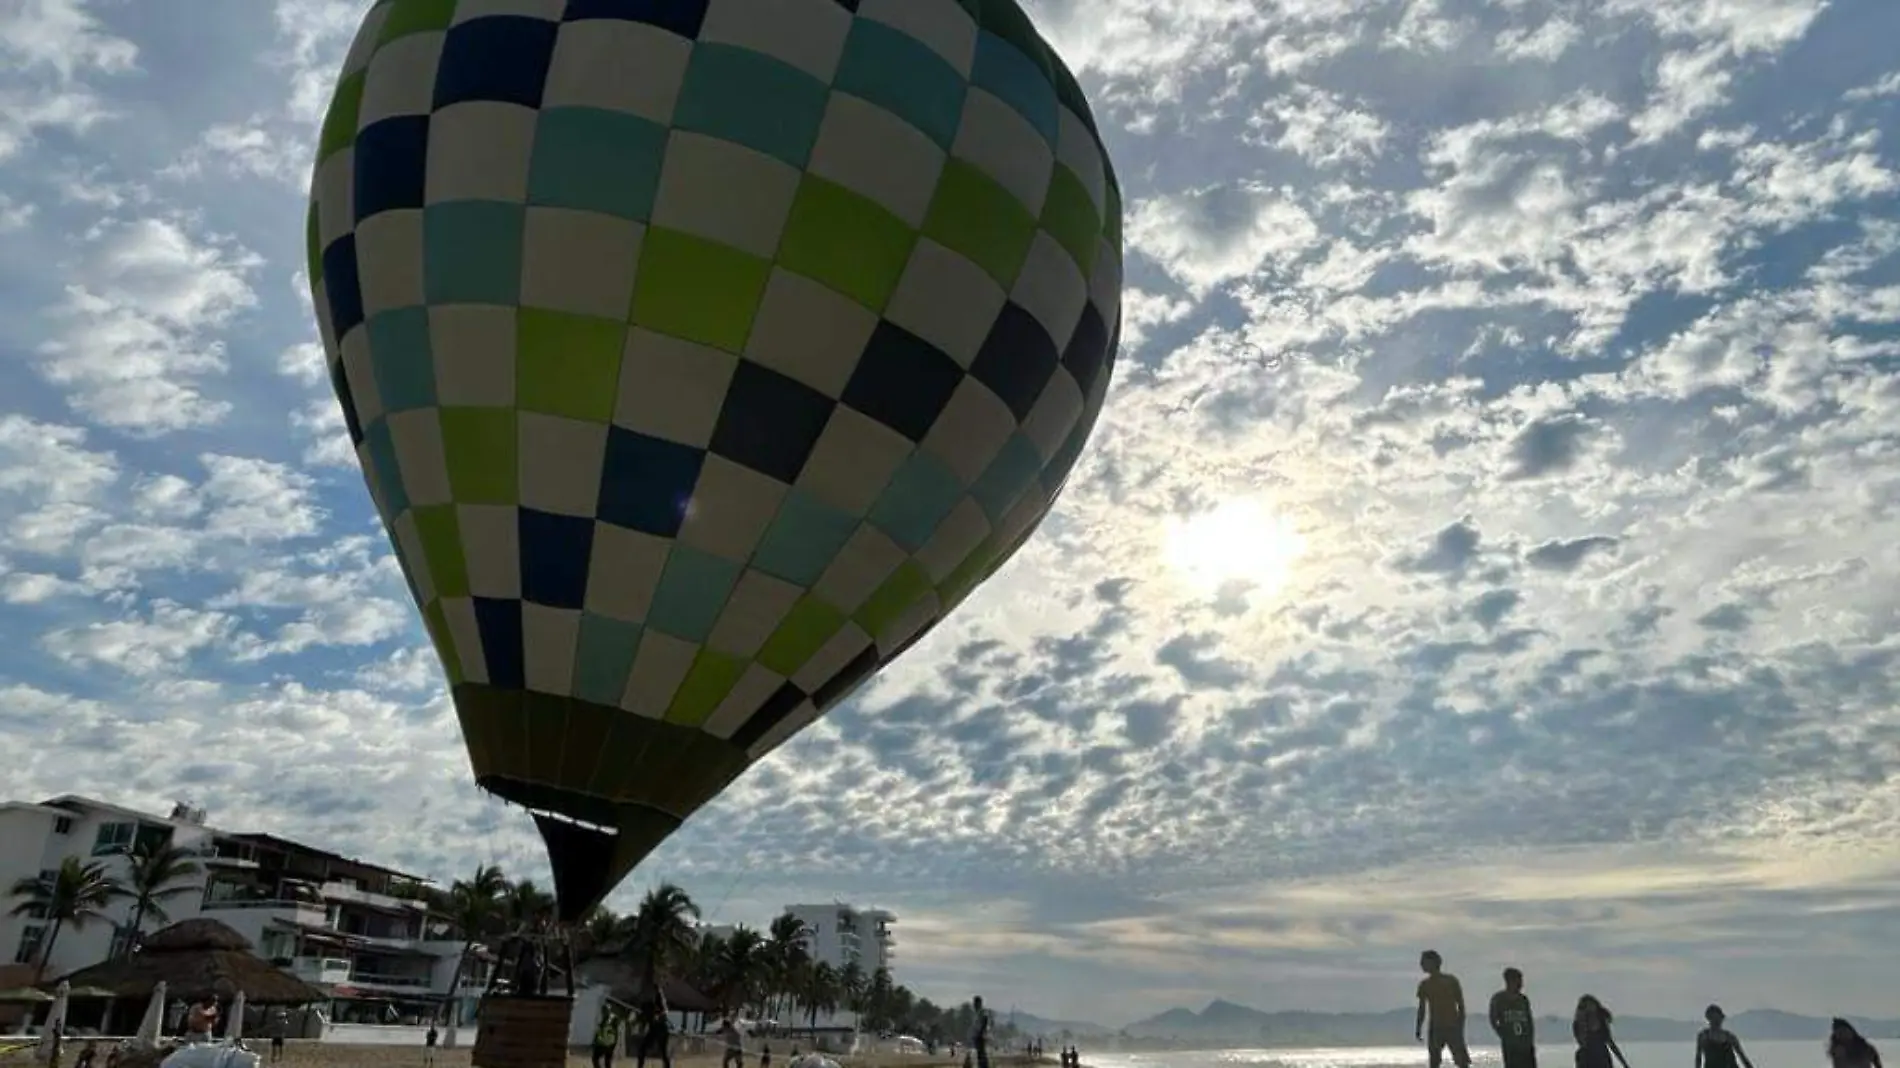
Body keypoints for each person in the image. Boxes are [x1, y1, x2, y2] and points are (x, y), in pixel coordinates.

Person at [1415, 950, 1470, 1068]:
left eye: (1424, 962)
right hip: (1436, 1027)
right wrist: (1418, 1027)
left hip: (1452, 1026)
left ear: (1434, 962)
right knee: (1434, 1061)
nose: (1421, 965)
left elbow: (1461, 1005)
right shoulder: (1425, 985)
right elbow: (1422, 1009)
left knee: (1461, 1061)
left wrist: (1460, 1025)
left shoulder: (1451, 981)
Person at [1489, 967, 1535, 1068]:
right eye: (1518, 981)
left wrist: (1530, 1040)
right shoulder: (1499, 999)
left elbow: (1529, 1021)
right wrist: (1504, 1034)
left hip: (1526, 1045)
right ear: (1509, 981)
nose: (1521, 984)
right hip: (1511, 1046)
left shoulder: (1523, 1000)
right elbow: (1493, 1019)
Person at [1574, 996, 1631, 1068]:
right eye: (1586, 1007)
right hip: (1587, 1059)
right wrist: (1583, 1022)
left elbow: (1611, 1044)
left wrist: (1624, 1063)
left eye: (1591, 1006)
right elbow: (1582, 1042)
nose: (1590, 1010)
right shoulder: (1578, 1024)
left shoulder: (1601, 1021)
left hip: (1602, 1058)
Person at [635, 992, 672, 1068]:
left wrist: (658, 1016)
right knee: (642, 1049)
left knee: (663, 1052)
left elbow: (665, 1012)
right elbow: (643, 1019)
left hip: (662, 1029)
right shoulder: (646, 1005)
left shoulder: (659, 998)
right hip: (653, 1029)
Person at [971, 996, 993, 1068]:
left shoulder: (982, 1012)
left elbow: (985, 1020)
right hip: (978, 1035)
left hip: (980, 1036)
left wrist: (981, 1032)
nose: (974, 1005)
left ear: (979, 1003)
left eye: (975, 1003)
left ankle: (984, 1066)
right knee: (980, 1054)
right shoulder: (977, 1013)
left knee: (982, 1053)